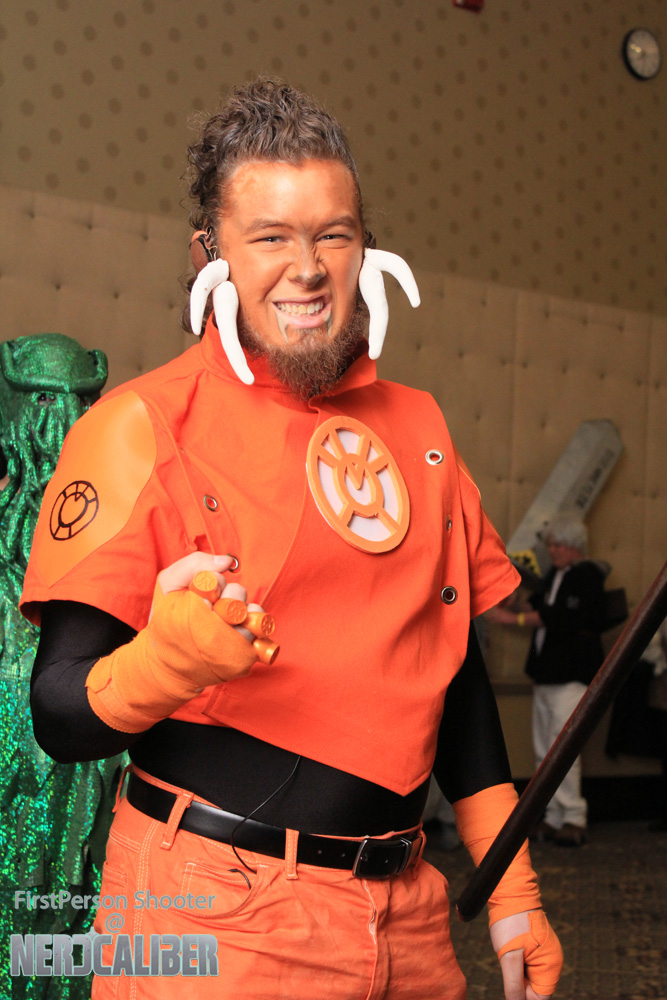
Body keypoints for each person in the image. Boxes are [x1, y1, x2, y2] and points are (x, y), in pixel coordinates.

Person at [21, 78, 562, 999]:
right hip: (209, 914)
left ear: (364, 247)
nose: (306, 269)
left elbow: (452, 672)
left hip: (408, 917)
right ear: (210, 254)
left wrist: (510, 886)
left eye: (333, 235)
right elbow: (57, 714)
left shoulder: (421, 426)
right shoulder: (137, 427)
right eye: (270, 237)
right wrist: (160, 663)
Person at [0, 333, 125, 1000]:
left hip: (87, 751)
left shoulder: (117, 519)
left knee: (74, 904)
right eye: (46, 402)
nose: (67, 424)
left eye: (83, 402)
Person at [488, 513, 606, 847]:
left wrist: (511, 617)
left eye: (558, 545)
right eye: (551, 544)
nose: (553, 550)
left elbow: (559, 617)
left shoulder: (586, 576)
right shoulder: (556, 574)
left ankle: (573, 816)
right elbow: (541, 604)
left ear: (573, 546)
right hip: (547, 674)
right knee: (545, 749)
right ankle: (553, 815)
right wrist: (515, 603)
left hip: (571, 676)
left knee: (562, 746)